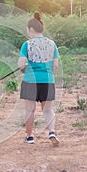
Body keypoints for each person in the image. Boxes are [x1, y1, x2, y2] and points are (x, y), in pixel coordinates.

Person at [18, 13, 60, 146]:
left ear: (31, 29)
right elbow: (55, 65)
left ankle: (29, 137)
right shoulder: (52, 44)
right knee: (47, 109)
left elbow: (20, 64)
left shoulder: (27, 44)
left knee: (29, 110)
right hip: (47, 80)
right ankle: (52, 131)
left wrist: (24, 69)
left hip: (30, 80)